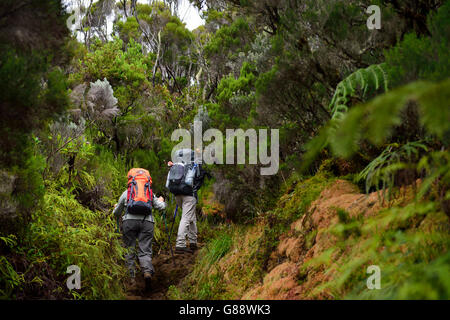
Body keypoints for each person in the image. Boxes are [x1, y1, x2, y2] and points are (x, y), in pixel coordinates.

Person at [113, 171, 166, 289]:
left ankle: (131, 279)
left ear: (130, 180)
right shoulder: (149, 193)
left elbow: (116, 213)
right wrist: (162, 201)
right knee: (145, 250)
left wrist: (116, 207)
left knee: (129, 249)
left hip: (129, 222)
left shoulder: (127, 193)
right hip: (147, 222)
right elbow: (161, 207)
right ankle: (147, 272)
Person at [166, 149, 209, 254]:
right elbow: (200, 178)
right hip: (189, 195)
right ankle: (180, 244)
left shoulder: (177, 165)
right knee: (186, 217)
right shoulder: (193, 165)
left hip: (177, 195)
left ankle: (193, 242)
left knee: (191, 217)